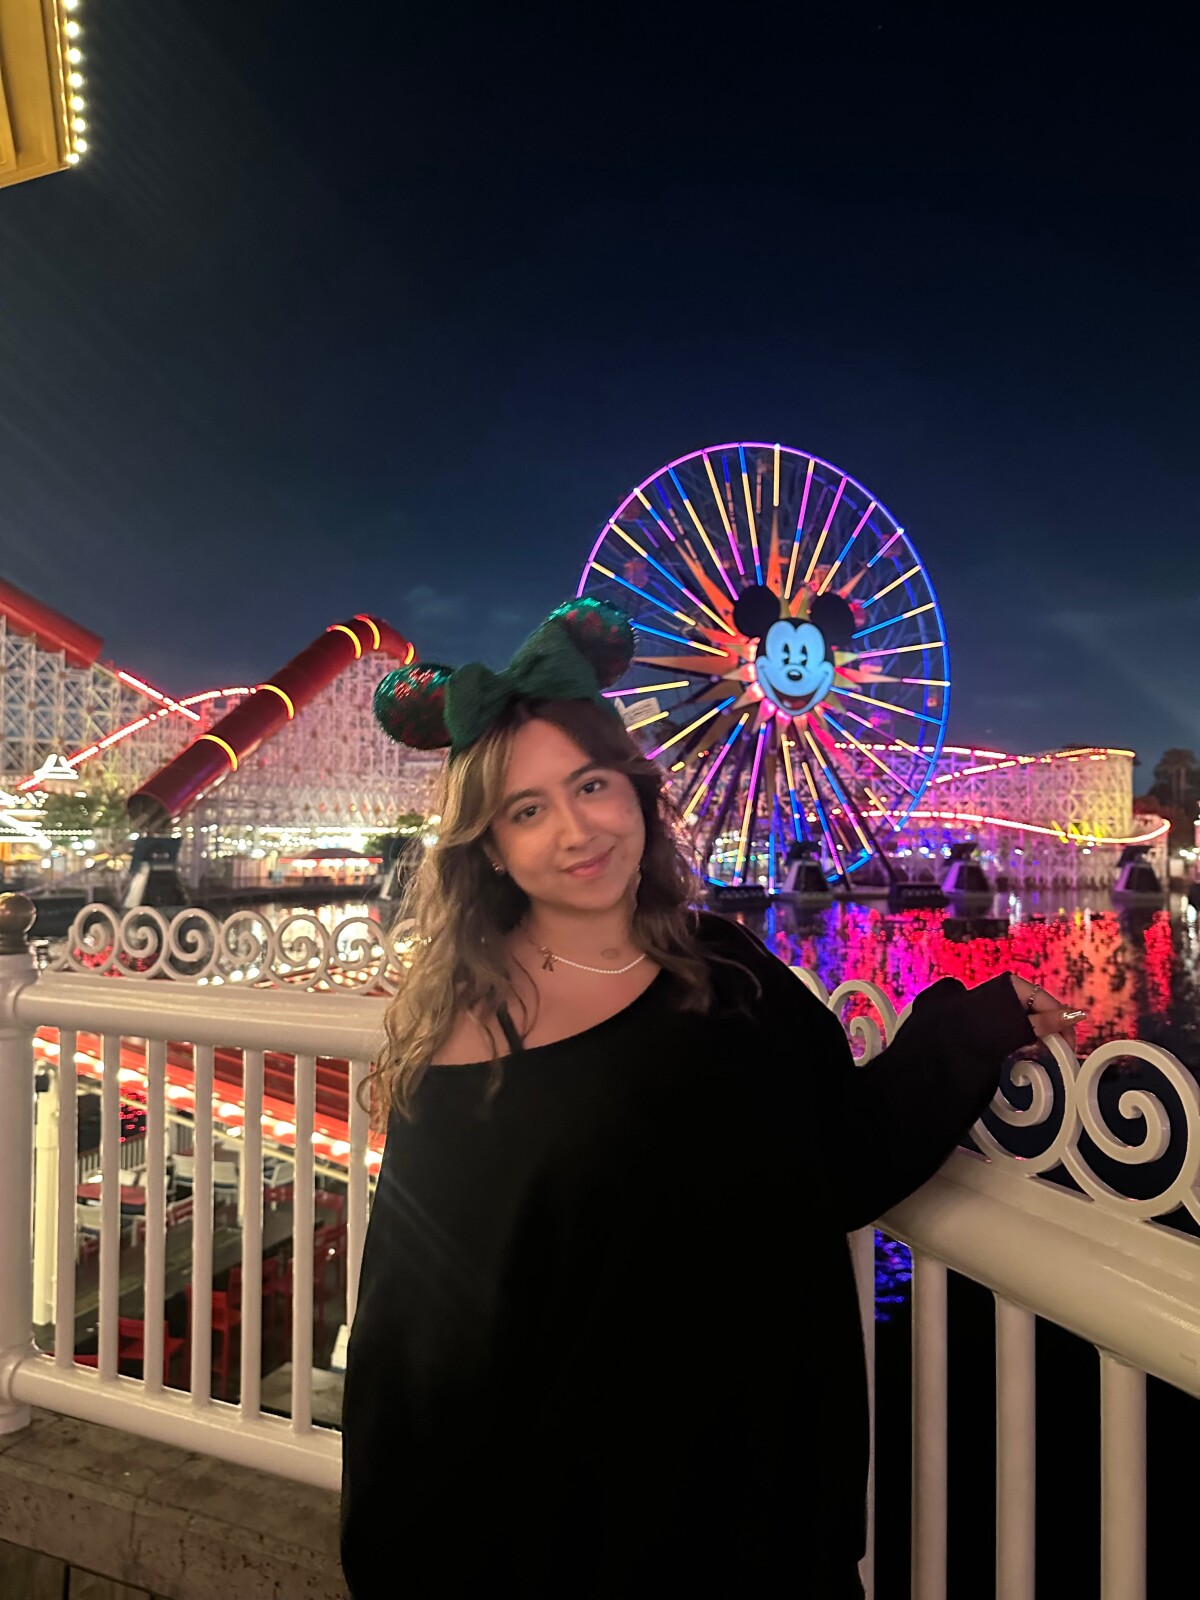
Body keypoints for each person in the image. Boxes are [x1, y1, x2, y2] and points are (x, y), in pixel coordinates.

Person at [340, 598, 1081, 1598]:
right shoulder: (473, 1043)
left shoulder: (725, 967)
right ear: (491, 847)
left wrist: (974, 1027)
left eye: (591, 785)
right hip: (590, 1547)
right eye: (527, 810)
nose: (576, 830)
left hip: (779, 1518)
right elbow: (416, 1368)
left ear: (636, 790)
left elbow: (840, 1154)